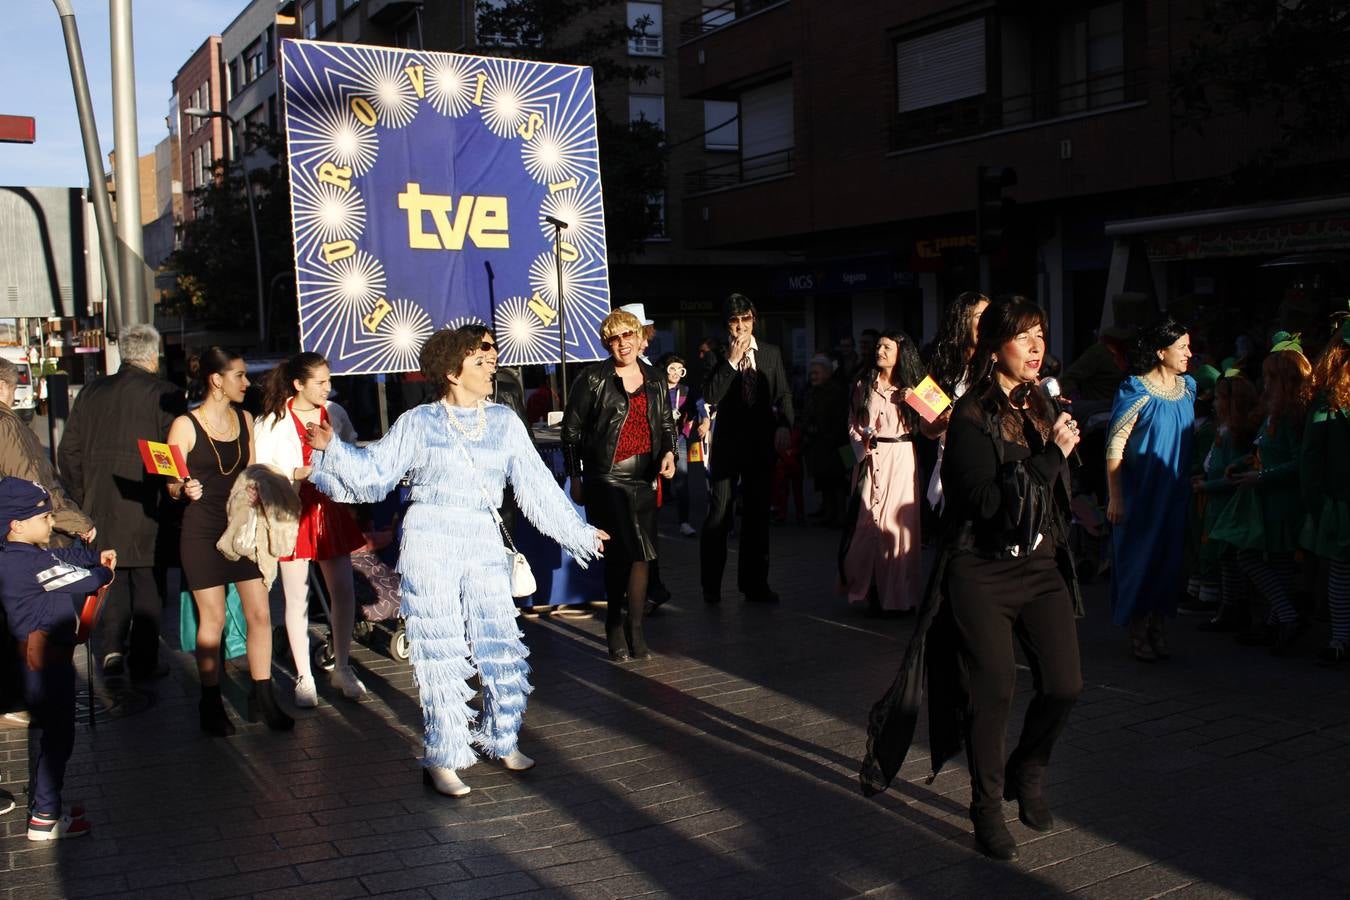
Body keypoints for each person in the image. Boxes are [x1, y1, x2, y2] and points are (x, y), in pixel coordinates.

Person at [308, 326, 607, 798]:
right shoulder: (418, 422)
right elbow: (374, 475)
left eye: (492, 351)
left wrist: (579, 531)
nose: (493, 359)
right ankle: (444, 756)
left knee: (501, 643)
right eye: (482, 353)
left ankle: (502, 737)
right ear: (452, 370)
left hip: (482, 540)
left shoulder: (506, 422)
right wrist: (333, 450)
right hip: (429, 543)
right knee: (440, 652)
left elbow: (536, 485)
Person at [858, 297, 1083, 862]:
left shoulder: (1039, 402)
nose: (1036, 348)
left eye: (1041, 335)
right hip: (980, 569)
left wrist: (1066, 456)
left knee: (1064, 684)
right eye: (1023, 337)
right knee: (995, 688)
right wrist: (1052, 457)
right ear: (994, 347)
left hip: (1038, 566)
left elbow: (1049, 491)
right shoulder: (970, 415)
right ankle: (985, 808)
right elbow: (983, 503)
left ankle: (1026, 770)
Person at [167, 348, 293, 736]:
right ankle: (210, 701)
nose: (246, 383)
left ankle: (263, 696)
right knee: (214, 618)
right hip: (201, 532)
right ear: (216, 380)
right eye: (238, 375)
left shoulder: (245, 419)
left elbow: (251, 470)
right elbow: (169, 482)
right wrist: (181, 488)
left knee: (259, 614)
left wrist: (259, 490)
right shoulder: (185, 425)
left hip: (241, 530)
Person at [57, 324, 185, 681]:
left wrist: (82, 495)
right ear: (151, 355)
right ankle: (144, 658)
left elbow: (68, 451)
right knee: (146, 581)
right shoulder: (166, 394)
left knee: (109, 577)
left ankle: (111, 648)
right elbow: (171, 453)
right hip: (147, 502)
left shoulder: (92, 392)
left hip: (100, 501)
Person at [0, 478, 115, 840]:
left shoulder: (22, 555)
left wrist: (90, 552)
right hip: (45, 664)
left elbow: (62, 559)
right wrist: (104, 571)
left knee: (54, 734)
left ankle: (46, 806)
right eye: (44, 517)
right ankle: (45, 816)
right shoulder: (27, 566)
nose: (51, 523)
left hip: (43, 661)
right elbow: (81, 580)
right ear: (16, 524)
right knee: (58, 736)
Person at [254, 353, 367, 708]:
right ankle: (304, 675)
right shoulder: (271, 421)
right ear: (298, 384)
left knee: (344, 590)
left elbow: (352, 453)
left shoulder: (335, 414)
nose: (326, 388)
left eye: (328, 381)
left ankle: (342, 665)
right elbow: (261, 470)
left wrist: (336, 457)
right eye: (319, 382)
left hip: (330, 507)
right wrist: (295, 471)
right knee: (295, 595)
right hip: (292, 510)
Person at [562, 311, 676, 660]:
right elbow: (571, 431)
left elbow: (666, 422)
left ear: (640, 337)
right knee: (622, 551)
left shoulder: (655, 378)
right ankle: (614, 621)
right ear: (607, 343)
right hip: (607, 477)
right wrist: (576, 476)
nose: (622, 343)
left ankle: (635, 626)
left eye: (628, 335)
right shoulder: (593, 379)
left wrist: (669, 452)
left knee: (643, 554)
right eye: (614, 338)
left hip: (645, 477)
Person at [0, 359, 94, 724]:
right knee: (31, 625)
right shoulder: (7, 424)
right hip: (18, 537)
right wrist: (73, 521)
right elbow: (32, 486)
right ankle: (27, 699)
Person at [1210, 337, 1312, 655]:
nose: (1264, 383)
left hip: (1280, 502)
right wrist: (1241, 464)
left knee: (1253, 557)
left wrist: (1261, 476)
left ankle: (1287, 618)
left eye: (1270, 377)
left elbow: (1298, 462)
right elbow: (1260, 449)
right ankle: (1278, 622)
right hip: (1263, 500)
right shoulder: (1272, 413)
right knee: (1270, 561)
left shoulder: (1292, 416)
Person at [1105, 318, 1195, 661]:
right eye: (1182, 347)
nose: (1189, 353)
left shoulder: (1189, 388)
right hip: (1141, 493)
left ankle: (1159, 627)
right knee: (1139, 561)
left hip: (1174, 491)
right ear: (1161, 352)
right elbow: (1115, 445)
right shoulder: (1136, 389)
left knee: (1168, 562)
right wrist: (1116, 496)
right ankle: (1138, 630)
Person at [700, 293, 795, 604]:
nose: (741, 327)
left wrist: (785, 425)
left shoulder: (770, 353)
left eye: (746, 320)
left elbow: (783, 394)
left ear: (754, 319)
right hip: (728, 445)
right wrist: (729, 360)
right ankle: (711, 587)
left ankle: (755, 584)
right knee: (720, 514)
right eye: (734, 321)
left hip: (760, 444)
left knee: (756, 516)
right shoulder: (715, 355)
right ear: (726, 324)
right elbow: (711, 396)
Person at [841, 331, 932, 613]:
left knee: (896, 525)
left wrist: (916, 399)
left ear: (900, 352)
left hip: (902, 459)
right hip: (870, 458)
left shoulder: (918, 384)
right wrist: (860, 445)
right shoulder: (863, 383)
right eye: (878, 345)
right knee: (866, 524)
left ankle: (900, 596)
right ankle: (868, 590)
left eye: (886, 346)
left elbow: (943, 417)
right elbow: (852, 422)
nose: (880, 350)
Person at [1193, 373, 1261, 633]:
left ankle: (1234, 608)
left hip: (1227, 506)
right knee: (1225, 559)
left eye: (1220, 398)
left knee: (1231, 558)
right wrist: (1203, 476)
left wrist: (1207, 485)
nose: (1213, 403)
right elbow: (1215, 465)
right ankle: (1227, 607)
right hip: (1216, 506)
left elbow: (1231, 477)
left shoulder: (1235, 434)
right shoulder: (1223, 429)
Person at [1301, 312, 1350, 665]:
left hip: (1339, 499)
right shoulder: (1329, 400)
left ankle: (1340, 639)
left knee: (1342, 568)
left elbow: (1311, 457)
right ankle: (1340, 638)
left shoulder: (1329, 399)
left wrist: (1313, 503)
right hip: (1340, 498)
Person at [923, 291, 990, 513]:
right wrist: (943, 421)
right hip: (952, 466)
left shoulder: (999, 362)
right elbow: (925, 428)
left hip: (992, 465)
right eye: (980, 316)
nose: (988, 321)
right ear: (962, 322)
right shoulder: (937, 366)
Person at [800, 355, 849, 525]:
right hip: (820, 444)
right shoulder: (812, 391)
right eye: (811, 373)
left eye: (817, 373)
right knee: (824, 480)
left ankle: (840, 515)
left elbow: (841, 419)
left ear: (827, 373)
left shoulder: (836, 392)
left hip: (838, 443)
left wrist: (829, 436)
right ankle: (828, 512)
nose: (813, 376)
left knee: (838, 481)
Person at [655, 353, 695, 536]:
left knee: (682, 481)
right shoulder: (657, 389)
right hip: (658, 441)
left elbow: (695, 411)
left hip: (679, 441)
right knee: (655, 482)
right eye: (673, 368)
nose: (676, 372)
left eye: (680, 369)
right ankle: (653, 522)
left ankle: (684, 522)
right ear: (665, 370)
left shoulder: (686, 391)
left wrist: (689, 429)